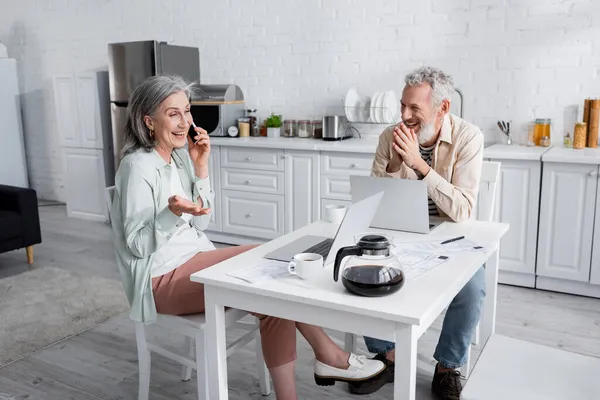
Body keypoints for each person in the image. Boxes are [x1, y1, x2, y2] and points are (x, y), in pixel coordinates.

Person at [109, 75, 384, 400]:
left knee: (273, 278)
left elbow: (202, 225)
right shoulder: (136, 167)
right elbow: (136, 245)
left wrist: (201, 167)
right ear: (148, 121)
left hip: (194, 259)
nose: (185, 122)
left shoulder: (180, 156)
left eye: (187, 111)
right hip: (160, 279)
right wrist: (171, 214)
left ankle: (320, 365)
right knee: (272, 271)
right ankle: (329, 358)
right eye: (173, 114)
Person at [350, 66, 485, 400]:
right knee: (361, 271)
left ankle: (446, 368)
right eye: (402, 105)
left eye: (414, 109)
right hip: (399, 232)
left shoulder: (469, 138)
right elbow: (374, 204)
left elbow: (463, 209)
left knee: (473, 287)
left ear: (442, 108)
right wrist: (396, 165)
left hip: (450, 234)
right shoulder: (388, 137)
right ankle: (389, 355)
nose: (404, 115)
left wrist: (420, 165)